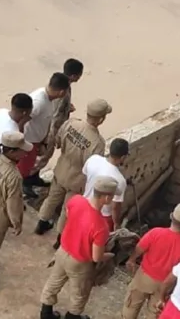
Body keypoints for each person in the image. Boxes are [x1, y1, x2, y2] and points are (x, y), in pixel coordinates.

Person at [39, 176, 118, 319]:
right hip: (80, 263)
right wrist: (110, 256)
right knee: (79, 294)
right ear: (106, 198)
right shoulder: (101, 226)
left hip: (62, 251)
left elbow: (69, 216)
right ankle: (72, 317)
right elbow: (96, 257)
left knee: (53, 283)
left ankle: (45, 313)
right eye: (112, 197)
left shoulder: (76, 200)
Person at [35, 99, 111, 236]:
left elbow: (57, 142)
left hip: (61, 169)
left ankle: (41, 223)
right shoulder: (98, 142)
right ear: (101, 119)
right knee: (67, 208)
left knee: (51, 198)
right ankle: (60, 236)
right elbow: (94, 167)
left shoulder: (71, 124)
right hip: (78, 179)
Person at [122, 203, 180, 319]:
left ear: (171, 216)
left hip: (145, 277)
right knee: (154, 312)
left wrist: (131, 259)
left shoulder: (156, 233)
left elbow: (140, 247)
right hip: (166, 284)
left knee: (131, 305)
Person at [0, 131, 32, 290]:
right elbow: (13, 204)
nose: (24, 153)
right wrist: (17, 223)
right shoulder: (14, 176)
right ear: (11, 151)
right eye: (21, 150)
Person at [22, 72, 71, 199]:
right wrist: (22, 142)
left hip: (38, 139)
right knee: (24, 166)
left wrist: (44, 140)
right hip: (28, 141)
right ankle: (23, 185)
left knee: (34, 163)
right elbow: (23, 119)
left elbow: (48, 120)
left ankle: (33, 179)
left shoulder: (49, 99)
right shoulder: (39, 102)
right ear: (61, 92)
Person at [37, 58, 85, 171]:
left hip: (52, 127)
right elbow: (55, 114)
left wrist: (68, 108)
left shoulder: (60, 83)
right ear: (73, 76)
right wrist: (53, 136)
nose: (80, 77)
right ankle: (29, 181)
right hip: (52, 130)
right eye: (79, 75)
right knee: (44, 156)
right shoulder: (63, 91)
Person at [0, 93, 33, 187]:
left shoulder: (0, 112)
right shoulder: (13, 132)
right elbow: (13, 152)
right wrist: (22, 124)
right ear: (25, 112)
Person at [82, 138, 129, 233]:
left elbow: (85, 177)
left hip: (86, 204)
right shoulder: (120, 180)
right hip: (103, 215)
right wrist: (116, 223)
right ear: (123, 157)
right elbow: (115, 207)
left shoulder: (93, 159)